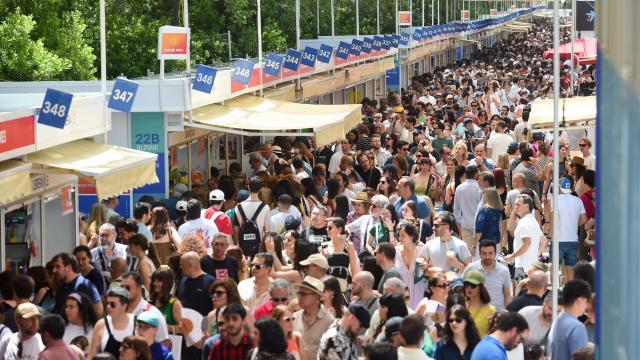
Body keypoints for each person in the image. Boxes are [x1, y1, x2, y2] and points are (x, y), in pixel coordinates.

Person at [504, 194, 546, 279]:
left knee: (522, 291)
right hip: (531, 266)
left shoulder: (525, 222)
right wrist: (535, 254)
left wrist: (512, 256)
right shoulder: (532, 220)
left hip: (523, 267)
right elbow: (544, 241)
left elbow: (527, 243)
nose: (515, 206)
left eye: (518, 204)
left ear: (527, 206)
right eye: (515, 204)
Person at [548, 279, 592, 360]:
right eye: (586, 301)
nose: (586, 306)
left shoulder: (557, 321)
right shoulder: (577, 327)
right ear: (579, 301)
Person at [293, 276, 335, 360]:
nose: (299, 297)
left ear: (316, 296)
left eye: (303, 294)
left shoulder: (329, 321)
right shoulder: (294, 317)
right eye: (298, 293)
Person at [122, 272, 170, 344]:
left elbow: (164, 343)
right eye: (122, 288)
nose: (124, 291)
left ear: (139, 289)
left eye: (128, 288)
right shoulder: (118, 310)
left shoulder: (153, 313)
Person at [555, 177, 587, 280]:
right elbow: (584, 219)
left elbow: (552, 218)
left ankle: (558, 291)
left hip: (559, 239)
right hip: (573, 238)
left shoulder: (557, 200)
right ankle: (570, 291)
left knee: (555, 268)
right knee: (570, 268)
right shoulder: (577, 200)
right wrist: (574, 224)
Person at [88, 287, 135, 359]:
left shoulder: (136, 323)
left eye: (113, 304)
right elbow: (91, 356)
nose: (108, 307)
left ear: (124, 306)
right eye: (107, 303)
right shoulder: (101, 325)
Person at [464, 240, 512, 310]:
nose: (487, 257)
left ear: (495, 254)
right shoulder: (470, 268)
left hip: (497, 315)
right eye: (484, 253)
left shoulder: (504, 271)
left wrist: (508, 314)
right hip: (476, 315)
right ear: (479, 254)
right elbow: (463, 291)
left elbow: (507, 295)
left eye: (490, 253)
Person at [51, 252, 103, 317]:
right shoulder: (62, 287)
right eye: (53, 267)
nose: (54, 270)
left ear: (69, 268)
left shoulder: (85, 285)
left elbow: (99, 311)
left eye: (57, 267)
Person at [234, 177, 271, 258]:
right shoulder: (265, 207)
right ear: (260, 189)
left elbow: (236, 229)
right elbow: (267, 230)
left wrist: (237, 245)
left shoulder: (238, 207)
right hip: (259, 245)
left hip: (242, 245)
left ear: (248, 187)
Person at [321, 218, 361, 293]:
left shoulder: (348, 245)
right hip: (328, 288)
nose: (327, 229)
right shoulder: (324, 246)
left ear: (339, 229)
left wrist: (354, 289)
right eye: (326, 227)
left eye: (330, 228)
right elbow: (322, 270)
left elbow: (353, 269)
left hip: (344, 287)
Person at [176, 251, 215, 316]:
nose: (180, 267)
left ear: (190, 265)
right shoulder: (183, 280)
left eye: (181, 264)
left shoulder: (211, 282)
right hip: (185, 323)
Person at [149, 269, 185, 337]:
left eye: (159, 281)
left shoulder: (174, 303)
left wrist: (163, 327)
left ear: (167, 283)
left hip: (167, 343)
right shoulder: (150, 300)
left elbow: (183, 329)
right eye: (154, 280)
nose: (155, 283)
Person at [454, 165, 482, 250]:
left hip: (465, 224)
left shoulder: (459, 188)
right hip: (479, 225)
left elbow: (456, 209)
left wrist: (459, 226)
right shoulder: (479, 188)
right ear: (476, 174)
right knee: (478, 251)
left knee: (468, 252)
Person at [463, 270, 496, 338]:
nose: (469, 288)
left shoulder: (491, 310)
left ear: (480, 288)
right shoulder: (461, 306)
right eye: (466, 285)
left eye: (473, 285)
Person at [472, 188, 504, 255]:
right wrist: (500, 246)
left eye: (484, 194)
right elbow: (501, 229)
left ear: (487, 196)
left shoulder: (484, 211)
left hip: (484, 244)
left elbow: (479, 231)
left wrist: (474, 246)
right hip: (496, 244)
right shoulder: (498, 211)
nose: (482, 196)